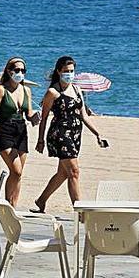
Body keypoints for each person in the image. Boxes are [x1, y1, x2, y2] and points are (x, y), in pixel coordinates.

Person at [32, 56, 106, 213]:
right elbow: (44, 118)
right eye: (66, 71)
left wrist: (97, 134)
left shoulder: (77, 89)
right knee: (74, 172)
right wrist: (40, 140)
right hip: (60, 134)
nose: (69, 74)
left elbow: (84, 115)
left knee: (63, 173)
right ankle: (79, 210)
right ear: (59, 71)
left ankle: (41, 200)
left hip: (75, 134)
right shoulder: (53, 92)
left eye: (72, 71)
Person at [0, 57, 39, 207]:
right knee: (17, 171)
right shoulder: (1, 89)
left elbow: (28, 114)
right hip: (5, 130)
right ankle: (7, 205)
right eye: (17, 70)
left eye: (23, 70)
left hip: (21, 130)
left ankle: (12, 206)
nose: (20, 73)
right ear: (9, 71)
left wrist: (35, 117)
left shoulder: (26, 90)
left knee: (18, 174)